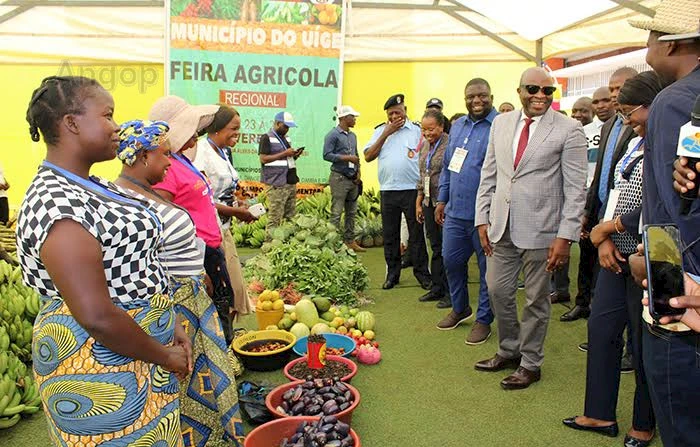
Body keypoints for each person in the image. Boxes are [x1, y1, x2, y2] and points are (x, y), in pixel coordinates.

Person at [19, 76, 190, 446]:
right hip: (97, 367)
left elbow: (134, 264)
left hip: (138, 351)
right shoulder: (56, 204)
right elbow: (95, 314)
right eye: (108, 116)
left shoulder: (94, 186)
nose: (117, 128)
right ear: (72, 123)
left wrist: (166, 317)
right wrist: (164, 354)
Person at [115, 120, 245, 446]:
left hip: (191, 298)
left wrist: (197, 274)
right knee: (181, 388)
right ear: (143, 156)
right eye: (164, 155)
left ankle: (209, 437)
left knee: (203, 383)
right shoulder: (126, 202)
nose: (170, 163)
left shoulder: (142, 193)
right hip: (172, 308)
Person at [563, 71, 663, 447]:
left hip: (644, 256)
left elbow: (661, 206)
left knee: (642, 344)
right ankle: (599, 413)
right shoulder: (633, 140)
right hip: (614, 253)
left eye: (628, 110)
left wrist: (611, 228)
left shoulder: (667, 140)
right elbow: (616, 189)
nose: (625, 120)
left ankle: (643, 423)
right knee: (602, 331)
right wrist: (604, 237)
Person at [474, 67, 587, 390]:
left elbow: (576, 187)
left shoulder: (569, 129)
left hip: (544, 230)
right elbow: (490, 174)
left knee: (537, 299)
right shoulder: (502, 122)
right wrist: (482, 218)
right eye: (533, 89)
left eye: (547, 91)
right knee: (497, 290)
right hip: (501, 226)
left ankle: (531, 363)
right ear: (519, 90)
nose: (540, 96)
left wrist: (565, 236)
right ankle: (509, 350)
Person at [627, 2, 700, 445]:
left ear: (671, 42)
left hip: (684, 306)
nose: (647, 45)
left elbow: (676, 215)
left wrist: (664, 291)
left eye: (652, 35)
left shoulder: (675, 102)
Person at [149, 96, 239, 345]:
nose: (196, 135)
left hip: (211, 249)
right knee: (212, 318)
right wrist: (198, 269)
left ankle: (226, 357)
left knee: (224, 305)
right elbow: (167, 222)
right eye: (190, 129)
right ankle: (220, 365)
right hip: (196, 257)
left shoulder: (180, 160)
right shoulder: (165, 170)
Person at [573, 67, 639, 339]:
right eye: (611, 89)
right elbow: (601, 172)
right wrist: (589, 212)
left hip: (628, 222)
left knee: (629, 290)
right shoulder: (610, 125)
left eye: (619, 88)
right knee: (599, 274)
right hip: (602, 211)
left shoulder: (639, 125)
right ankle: (602, 328)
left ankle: (628, 347)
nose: (614, 95)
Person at [434, 78, 497, 345]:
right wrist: (441, 200)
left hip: (487, 216)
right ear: (465, 99)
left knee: (487, 272)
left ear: (491, 96)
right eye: (471, 96)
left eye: (482, 95)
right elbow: (450, 165)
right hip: (456, 212)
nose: (477, 101)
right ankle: (461, 308)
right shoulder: (457, 126)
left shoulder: (501, 125)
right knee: (451, 260)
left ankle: (484, 319)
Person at [192, 105, 256, 317]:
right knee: (224, 291)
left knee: (233, 290)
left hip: (224, 228)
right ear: (218, 128)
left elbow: (224, 190)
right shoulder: (201, 153)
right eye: (233, 128)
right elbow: (204, 200)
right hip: (209, 234)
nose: (237, 133)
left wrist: (238, 206)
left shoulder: (223, 151)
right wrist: (235, 212)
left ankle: (226, 336)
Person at [364, 94, 431, 290]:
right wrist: (386, 132)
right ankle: (392, 275)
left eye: (398, 112)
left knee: (416, 235)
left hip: (412, 190)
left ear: (405, 111)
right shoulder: (379, 131)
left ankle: (422, 275)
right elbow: (368, 156)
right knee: (391, 235)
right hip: (388, 190)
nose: (395, 117)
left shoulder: (417, 130)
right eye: (391, 113)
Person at [551, 96, 594, 312]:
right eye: (575, 110)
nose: (578, 114)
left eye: (583, 110)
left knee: (588, 255)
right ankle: (563, 290)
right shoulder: (568, 132)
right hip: (570, 200)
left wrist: (586, 207)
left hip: (593, 202)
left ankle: (586, 301)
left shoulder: (602, 131)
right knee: (564, 248)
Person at [415, 108, 449, 306]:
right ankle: (437, 288)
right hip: (428, 202)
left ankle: (450, 292)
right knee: (435, 247)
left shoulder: (449, 145)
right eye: (423, 130)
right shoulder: (425, 146)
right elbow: (423, 175)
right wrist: (419, 201)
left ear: (441, 127)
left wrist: (442, 202)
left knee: (447, 249)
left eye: (431, 129)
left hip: (444, 204)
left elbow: (450, 176)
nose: (427, 134)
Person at [323, 105, 365, 252]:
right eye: (352, 117)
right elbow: (326, 155)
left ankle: (349, 241)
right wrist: (346, 158)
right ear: (343, 118)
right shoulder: (332, 135)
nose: (354, 119)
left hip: (352, 179)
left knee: (351, 212)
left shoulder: (353, 136)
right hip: (339, 178)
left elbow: (356, 155)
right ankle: (332, 244)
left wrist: (358, 173)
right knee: (336, 212)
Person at [259, 111, 302, 230]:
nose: (287, 129)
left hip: (290, 180)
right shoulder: (266, 137)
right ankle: (269, 244)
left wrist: (294, 155)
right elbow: (263, 159)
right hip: (276, 183)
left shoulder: (286, 138)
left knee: (291, 216)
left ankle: (286, 244)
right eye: (286, 126)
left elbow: (286, 158)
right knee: (275, 216)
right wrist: (285, 153)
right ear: (278, 123)